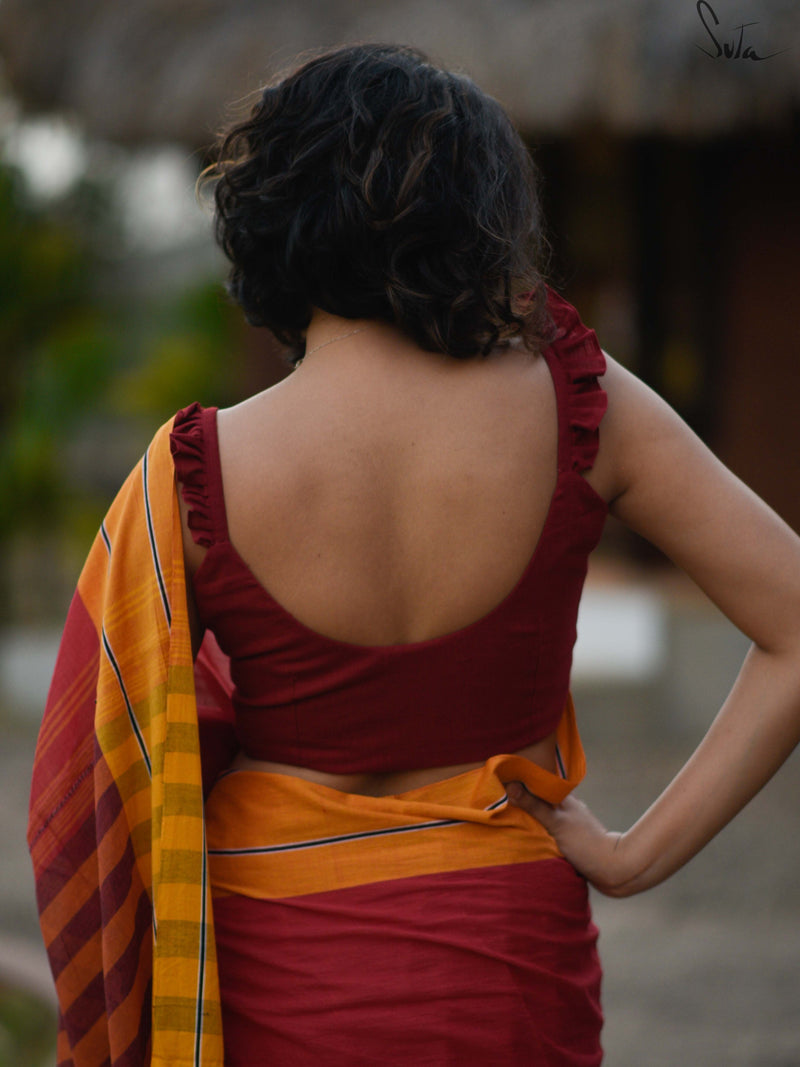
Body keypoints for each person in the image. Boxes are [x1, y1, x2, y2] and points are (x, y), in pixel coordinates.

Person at [28, 43, 800, 1067]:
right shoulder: (582, 403)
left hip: (274, 951)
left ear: (273, 213)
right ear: (481, 216)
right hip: (505, 955)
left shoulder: (194, 470)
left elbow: (91, 774)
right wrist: (628, 855)